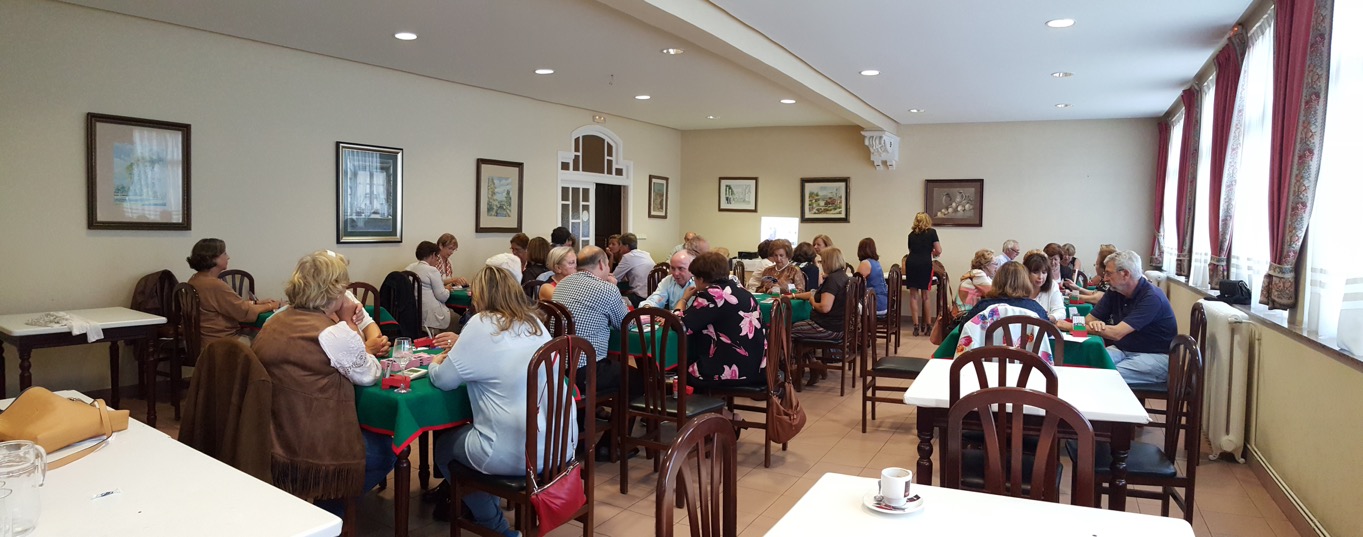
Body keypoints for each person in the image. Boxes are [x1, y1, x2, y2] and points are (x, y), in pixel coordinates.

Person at [251, 250, 393, 517]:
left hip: (272, 436)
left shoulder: (273, 322)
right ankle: (328, 512)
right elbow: (370, 374)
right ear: (335, 291)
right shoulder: (332, 333)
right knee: (386, 451)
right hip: (316, 445)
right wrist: (349, 321)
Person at [428, 265, 560, 536]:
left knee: (443, 448)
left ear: (481, 296)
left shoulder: (481, 323)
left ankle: (495, 525)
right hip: (555, 445)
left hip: (512, 451)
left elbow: (444, 380)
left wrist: (435, 362)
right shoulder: (535, 322)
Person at [1084, 250, 1178, 386]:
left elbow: (1116, 333)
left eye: (1109, 273)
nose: (1105, 279)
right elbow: (1090, 319)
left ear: (1125, 274)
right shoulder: (1115, 290)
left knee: (1105, 377)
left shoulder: (1152, 298)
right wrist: (1096, 324)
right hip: (1124, 349)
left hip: (1156, 356)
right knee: (1086, 364)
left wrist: (1069, 326)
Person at [677, 252, 765, 389]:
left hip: (732, 371)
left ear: (701, 278)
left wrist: (683, 300)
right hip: (756, 367)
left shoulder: (712, 295)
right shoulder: (741, 290)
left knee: (677, 373)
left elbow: (681, 325)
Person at [552, 246, 628, 392]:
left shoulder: (562, 284)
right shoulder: (607, 289)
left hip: (558, 368)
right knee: (641, 378)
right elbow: (625, 324)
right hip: (588, 369)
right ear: (601, 264)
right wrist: (613, 288)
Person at [184, 238, 280, 346]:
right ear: (213, 258)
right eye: (224, 253)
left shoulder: (194, 280)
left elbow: (229, 306)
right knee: (269, 344)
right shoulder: (215, 285)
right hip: (221, 343)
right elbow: (244, 313)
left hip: (200, 342)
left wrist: (256, 303)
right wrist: (272, 305)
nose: (228, 257)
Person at [791, 247, 850, 344]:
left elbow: (824, 308)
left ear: (828, 262)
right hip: (839, 327)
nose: (821, 264)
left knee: (788, 328)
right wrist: (794, 295)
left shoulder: (832, 280)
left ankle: (784, 354)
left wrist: (812, 302)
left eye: (822, 262)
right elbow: (815, 293)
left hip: (827, 328)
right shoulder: (842, 276)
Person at [959, 261, 1049, 322]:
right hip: (1025, 346)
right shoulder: (1034, 308)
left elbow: (963, 328)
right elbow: (1049, 331)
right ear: (1025, 282)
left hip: (989, 346)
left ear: (997, 281)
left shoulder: (983, 306)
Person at [905, 212, 942, 336]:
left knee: (913, 296)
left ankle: (915, 326)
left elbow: (911, 250)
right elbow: (939, 250)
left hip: (911, 264)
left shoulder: (911, 235)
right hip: (925, 264)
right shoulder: (932, 232)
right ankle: (928, 326)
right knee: (925, 295)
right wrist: (931, 252)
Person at [405, 241, 452, 334]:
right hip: (431, 317)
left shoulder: (411, 269)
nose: (437, 260)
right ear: (433, 255)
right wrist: (448, 289)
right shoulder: (432, 270)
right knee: (459, 319)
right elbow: (442, 296)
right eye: (437, 257)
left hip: (416, 314)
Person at [611, 232, 654, 306]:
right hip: (651, 295)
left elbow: (615, 277)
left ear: (626, 246)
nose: (620, 247)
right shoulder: (646, 254)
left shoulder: (628, 257)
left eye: (620, 244)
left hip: (640, 297)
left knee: (615, 299)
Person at [1023, 251, 1066, 321]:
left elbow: (1061, 312)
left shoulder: (1052, 285)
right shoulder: (1019, 285)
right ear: (1026, 272)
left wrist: (1044, 319)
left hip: (1044, 325)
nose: (1040, 277)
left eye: (1044, 272)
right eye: (1035, 272)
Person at [856, 238, 889, 317]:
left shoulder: (865, 264)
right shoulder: (876, 263)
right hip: (884, 303)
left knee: (846, 306)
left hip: (873, 304)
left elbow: (855, 285)